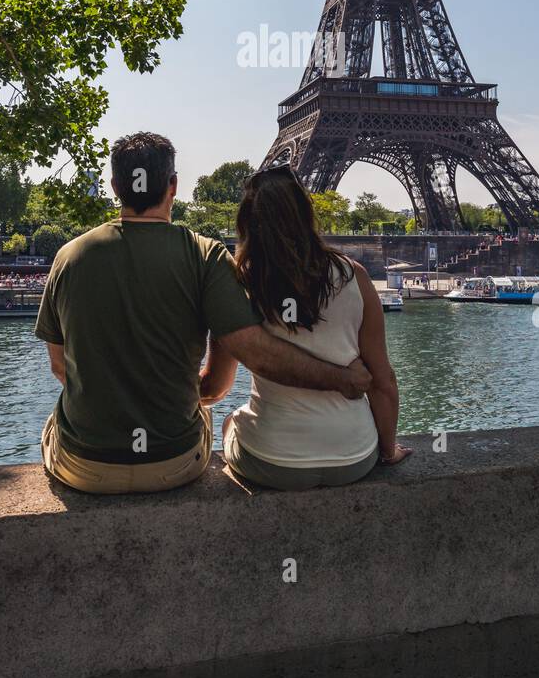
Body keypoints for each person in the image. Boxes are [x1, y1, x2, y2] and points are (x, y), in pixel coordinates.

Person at [35, 133, 372, 495]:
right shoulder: (205, 254)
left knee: (54, 425)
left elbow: (60, 367)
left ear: (116, 186)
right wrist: (340, 378)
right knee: (205, 411)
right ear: (173, 185)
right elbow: (248, 356)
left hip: (86, 467)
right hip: (174, 464)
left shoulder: (68, 257)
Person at [200, 165, 411, 491]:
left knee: (231, 420)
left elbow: (217, 387)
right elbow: (383, 381)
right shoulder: (356, 277)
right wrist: (388, 450)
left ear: (247, 221)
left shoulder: (240, 283)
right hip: (355, 457)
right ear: (305, 212)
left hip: (273, 460)